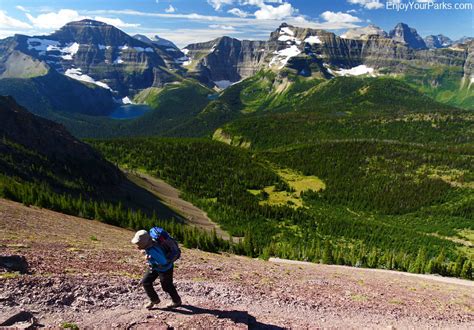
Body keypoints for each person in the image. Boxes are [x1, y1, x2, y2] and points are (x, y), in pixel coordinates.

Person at [131, 230, 182, 309]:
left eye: (138, 243)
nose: (137, 245)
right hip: (155, 267)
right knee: (145, 282)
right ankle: (154, 300)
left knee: (167, 286)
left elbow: (163, 262)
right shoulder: (151, 244)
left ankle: (176, 301)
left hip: (165, 269)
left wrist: (148, 258)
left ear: (144, 243)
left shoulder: (152, 250)